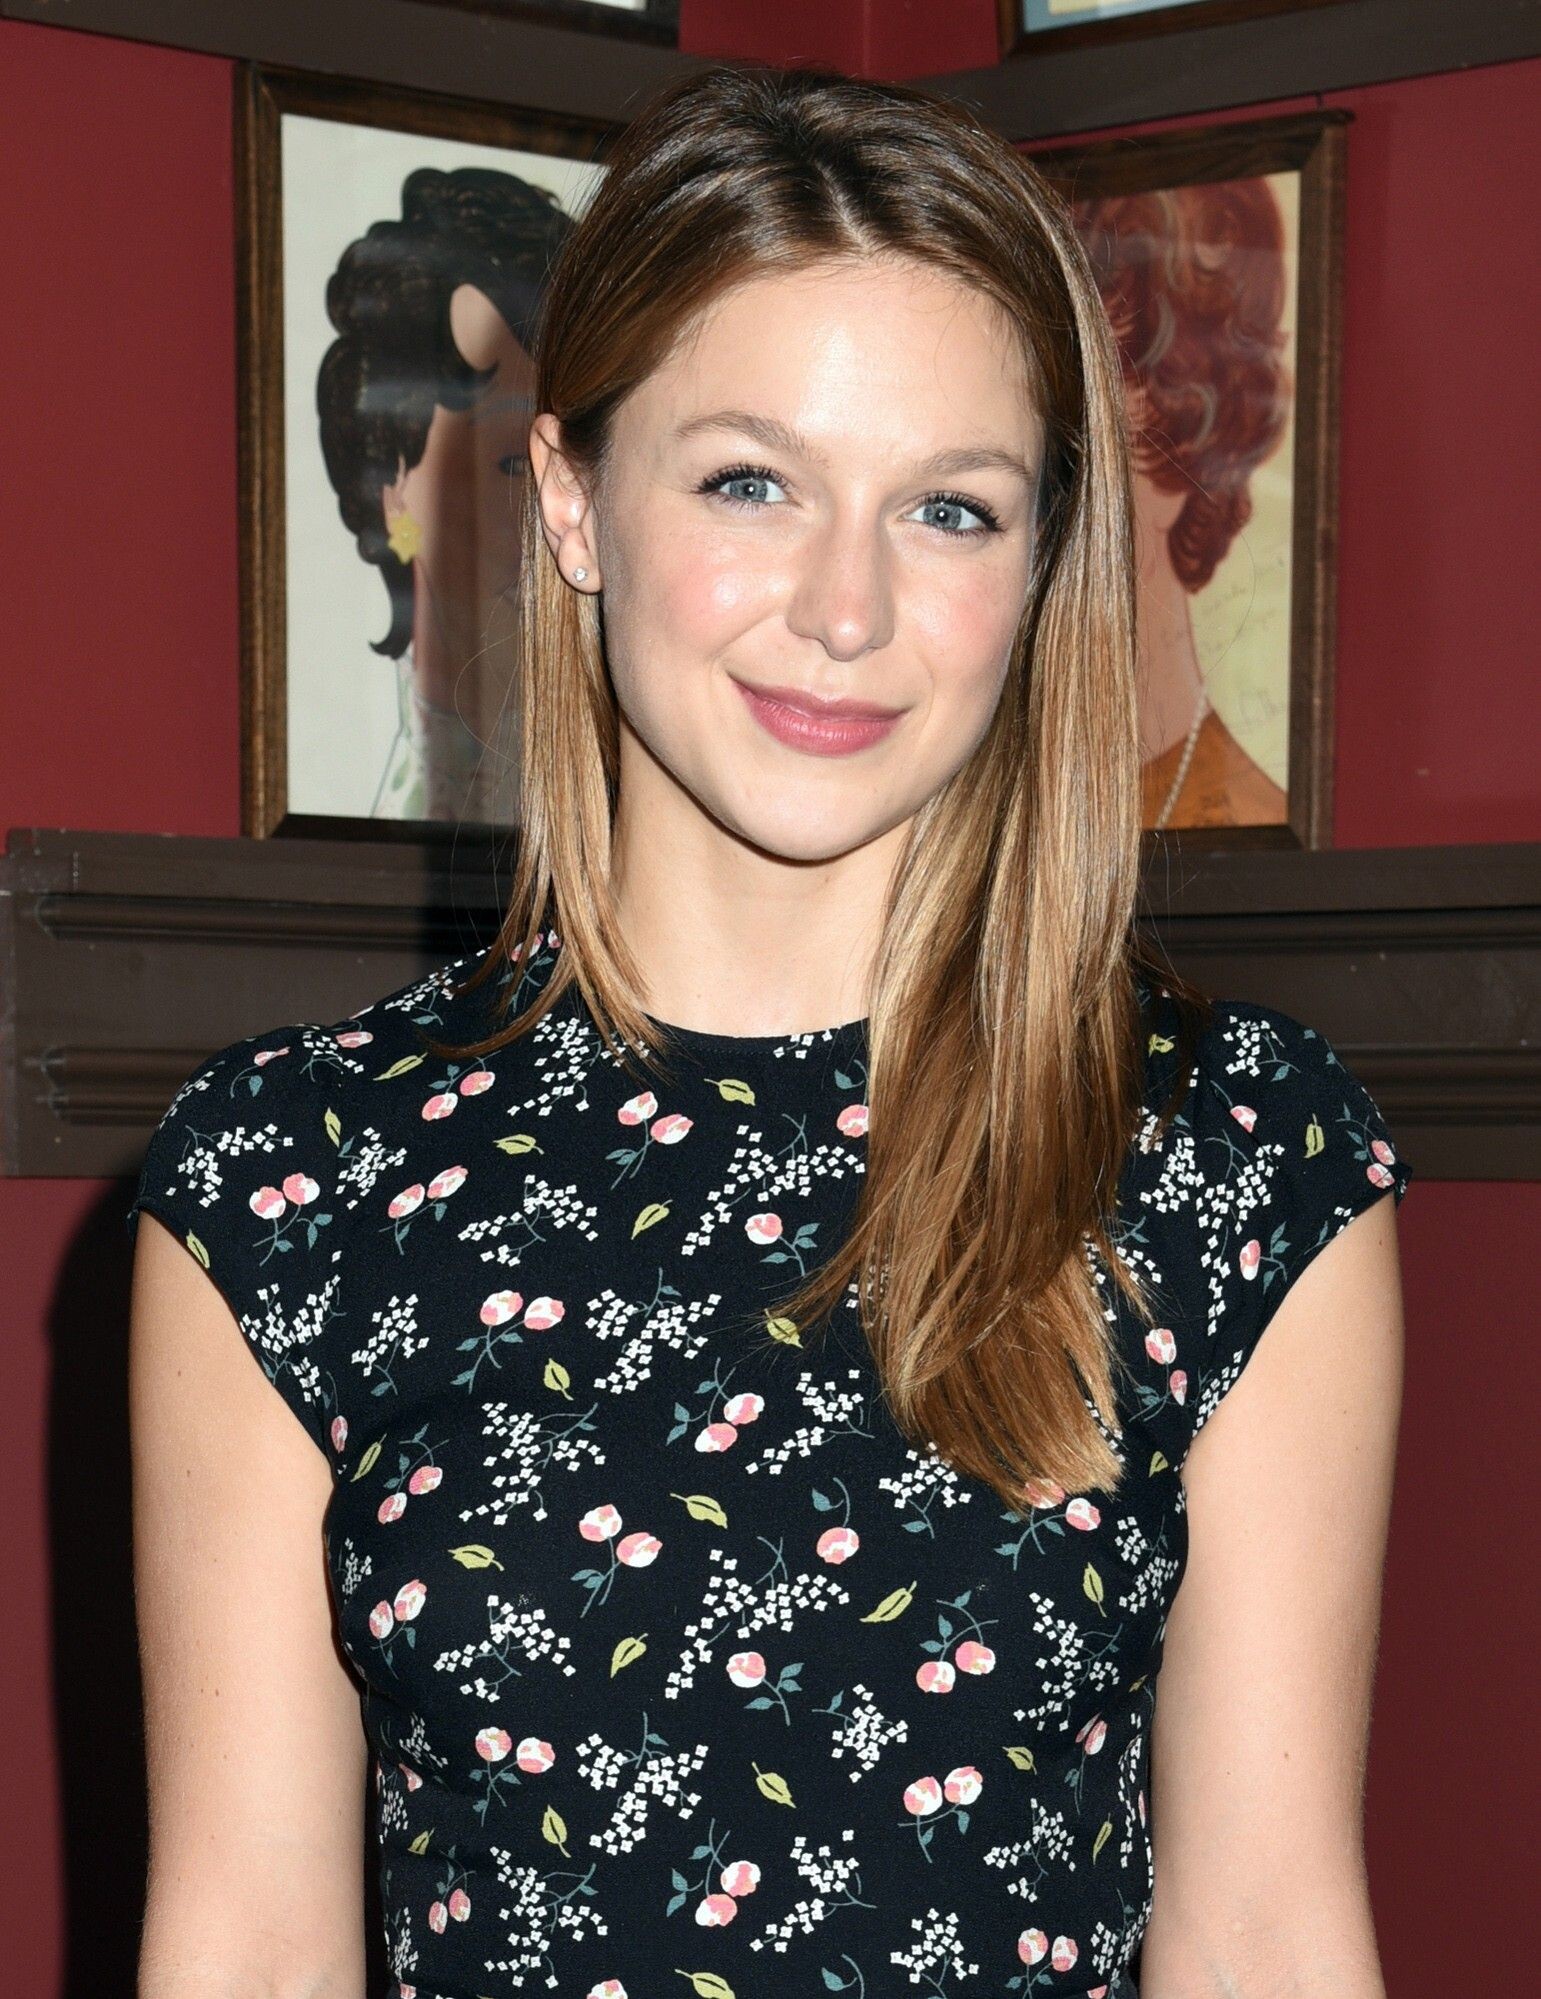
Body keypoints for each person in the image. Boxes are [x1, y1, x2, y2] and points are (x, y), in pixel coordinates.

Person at [126, 62, 1413, 1999]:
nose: (846, 607)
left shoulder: (1235, 1158)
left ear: (1039, 564)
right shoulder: (292, 1180)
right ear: (573, 500)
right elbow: (246, 1948)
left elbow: (1263, 1935)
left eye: (950, 509)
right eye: (750, 481)